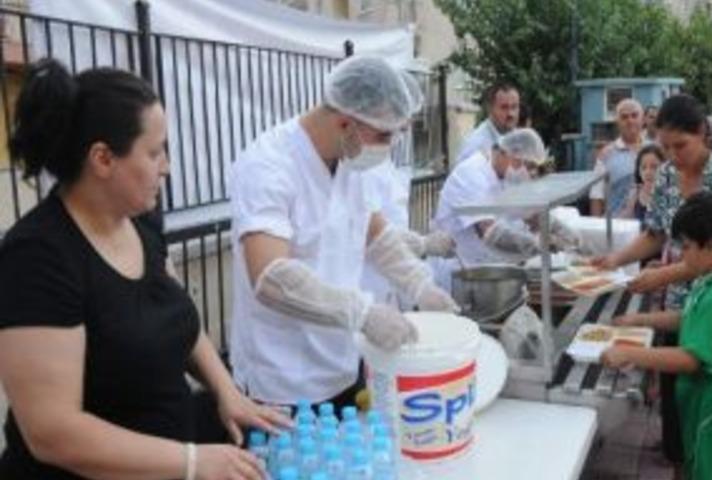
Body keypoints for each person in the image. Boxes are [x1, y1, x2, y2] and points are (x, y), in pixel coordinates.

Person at [0, 59, 287, 480]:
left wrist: (227, 391)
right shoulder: (37, 257)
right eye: (154, 152)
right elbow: (52, 431)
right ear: (102, 159)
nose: (166, 167)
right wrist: (193, 462)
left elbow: (174, 315)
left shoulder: (140, 221)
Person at [228, 56, 459, 411]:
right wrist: (362, 313)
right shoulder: (269, 165)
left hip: (341, 363)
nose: (390, 144)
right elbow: (271, 276)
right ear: (345, 123)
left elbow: (377, 236)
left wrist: (420, 285)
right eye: (384, 135)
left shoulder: (351, 162)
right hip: (283, 381)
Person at [593, 94, 712, 476]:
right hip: (687, 306)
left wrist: (658, 276)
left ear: (702, 133)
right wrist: (615, 260)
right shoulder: (666, 174)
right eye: (665, 146)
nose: (672, 155)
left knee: (707, 415)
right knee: (680, 417)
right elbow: (657, 233)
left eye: (680, 145)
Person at [604, 192, 712, 480]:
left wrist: (629, 353)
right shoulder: (709, 282)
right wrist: (639, 320)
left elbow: (689, 359)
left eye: (686, 246)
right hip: (704, 403)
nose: (680, 256)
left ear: (710, 245)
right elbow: (688, 320)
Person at [361, 71, 456, 307]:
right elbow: (366, 231)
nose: (403, 132)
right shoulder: (360, 163)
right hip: (367, 283)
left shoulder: (380, 155)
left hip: (389, 281)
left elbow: (380, 227)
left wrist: (418, 284)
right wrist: (423, 244)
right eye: (400, 125)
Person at [432, 128, 563, 289]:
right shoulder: (472, 174)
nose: (524, 171)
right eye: (522, 163)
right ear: (505, 153)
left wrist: (563, 230)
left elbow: (531, 215)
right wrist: (536, 244)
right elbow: (490, 233)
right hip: (463, 274)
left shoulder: (505, 176)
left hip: (492, 271)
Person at [589, 98, 646, 217]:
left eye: (634, 115)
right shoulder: (606, 154)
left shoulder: (654, 149)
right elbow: (596, 195)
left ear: (643, 119)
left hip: (649, 225)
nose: (630, 120)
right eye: (624, 117)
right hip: (617, 225)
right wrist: (597, 227)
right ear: (617, 122)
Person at [456, 81, 520, 164]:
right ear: (490, 109)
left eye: (514, 107)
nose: (510, 113)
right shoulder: (476, 145)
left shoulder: (518, 138)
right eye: (504, 107)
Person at [622, 144, 667, 222]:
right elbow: (624, 221)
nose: (648, 172)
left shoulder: (669, 193)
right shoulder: (635, 193)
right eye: (643, 167)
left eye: (654, 167)